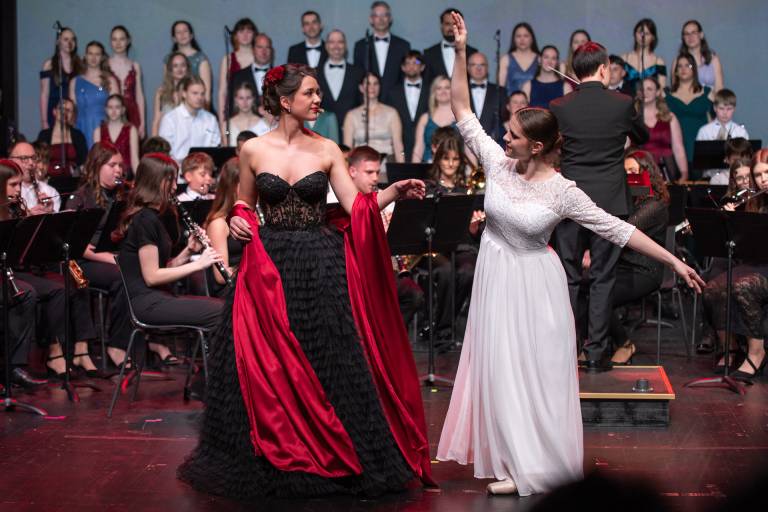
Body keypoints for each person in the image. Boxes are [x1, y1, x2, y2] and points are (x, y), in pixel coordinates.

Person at [437, 13, 703, 496]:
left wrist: (674, 261)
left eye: (513, 135)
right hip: (496, 280)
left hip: (536, 287)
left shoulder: (563, 191)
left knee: (534, 375)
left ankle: (537, 465)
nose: (503, 139)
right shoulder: (498, 165)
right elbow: (460, 108)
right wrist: (459, 49)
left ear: (536, 146)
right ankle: (512, 462)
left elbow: (618, 229)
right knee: (500, 373)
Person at [178, 63, 433, 498]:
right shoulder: (254, 150)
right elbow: (243, 203)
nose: (319, 100)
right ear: (285, 101)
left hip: (320, 264)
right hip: (269, 267)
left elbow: (356, 208)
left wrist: (393, 192)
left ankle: (337, 452)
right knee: (267, 361)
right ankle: (273, 453)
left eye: (318, 93)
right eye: (310, 93)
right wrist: (239, 218)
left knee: (329, 357)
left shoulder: (328, 149)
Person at [550, 41, 649, 371]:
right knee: (603, 278)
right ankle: (595, 353)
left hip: (569, 199)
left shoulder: (560, 106)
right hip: (609, 201)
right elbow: (643, 136)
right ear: (604, 69)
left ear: (575, 71)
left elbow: (551, 145)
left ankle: (565, 351)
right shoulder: (622, 103)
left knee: (568, 277)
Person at [107, 153, 224, 370]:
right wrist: (199, 264)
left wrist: (188, 252)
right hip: (146, 303)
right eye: (170, 180)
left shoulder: (154, 216)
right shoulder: (144, 220)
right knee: (222, 312)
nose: (175, 187)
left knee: (224, 308)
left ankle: (220, 375)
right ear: (155, 182)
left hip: (156, 297)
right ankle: (221, 377)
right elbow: (152, 277)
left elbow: (163, 268)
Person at [64, 142, 131, 374]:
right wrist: (111, 259)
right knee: (122, 277)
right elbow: (76, 244)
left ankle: (122, 341)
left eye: (120, 165)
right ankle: (112, 346)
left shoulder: (120, 196)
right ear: (96, 166)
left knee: (134, 274)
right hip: (82, 261)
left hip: (109, 256)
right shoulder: (81, 197)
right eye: (112, 165)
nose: (118, 170)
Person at [701, 149, 768, 380]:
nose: (763, 179)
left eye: (767, 173)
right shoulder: (754, 200)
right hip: (756, 263)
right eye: (758, 175)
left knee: (743, 285)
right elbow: (743, 245)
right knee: (713, 288)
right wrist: (732, 220)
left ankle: (757, 353)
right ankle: (730, 348)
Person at [347, 146, 424, 326]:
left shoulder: (385, 197)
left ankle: (389, 335)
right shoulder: (337, 198)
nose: (375, 178)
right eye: (369, 172)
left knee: (414, 294)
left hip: (385, 269)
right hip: (354, 271)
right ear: (352, 171)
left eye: (377, 172)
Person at [606, 150, 670, 364]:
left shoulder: (654, 204)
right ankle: (590, 345)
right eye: (625, 173)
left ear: (647, 173)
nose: (629, 177)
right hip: (621, 267)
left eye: (634, 171)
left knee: (601, 295)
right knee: (582, 289)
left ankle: (624, 343)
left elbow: (624, 230)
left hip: (645, 271)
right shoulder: (626, 201)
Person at [0, 160, 48, 388]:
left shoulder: (12, 209)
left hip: (9, 272)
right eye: (13, 185)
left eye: (19, 184)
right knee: (24, 294)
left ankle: (14, 366)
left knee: (27, 294)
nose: (18, 190)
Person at [665, 53, 714, 180]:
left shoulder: (708, 94)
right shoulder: (666, 95)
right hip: (674, 153)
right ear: (675, 71)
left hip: (700, 152)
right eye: (680, 66)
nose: (683, 69)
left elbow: (715, 124)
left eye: (688, 65)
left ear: (694, 69)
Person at [353, 1, 411, 100]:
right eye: (377, 16)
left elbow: (405, 76)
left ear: (390, 19)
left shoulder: (403, 46)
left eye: (385, 15)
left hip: (396, 102)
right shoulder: (361, 46)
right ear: (371, 19)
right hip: (369, 102)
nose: (381, 19)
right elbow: (358, 76)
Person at [343, 73, 404, 163]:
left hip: (385, 164)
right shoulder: (351, 115)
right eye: (368, 84)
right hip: (361, 164)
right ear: (361, 88)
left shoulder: (392, 113)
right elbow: (347, 149)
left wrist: (402, 168)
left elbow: (398, 146)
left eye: (375, 84)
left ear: (380, 87)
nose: (372, 87)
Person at [159, 76, 221, 164]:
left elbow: (215, 146)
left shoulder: (211, 119)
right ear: (184, 94)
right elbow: (166, 150)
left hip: (203, 168)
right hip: (177, 168)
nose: (199, 97)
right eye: (195, 93)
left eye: (202, 94)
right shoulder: (170, 119)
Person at [204, 157, 242, 297]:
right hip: (232, 289)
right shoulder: (219, 224)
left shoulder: (256, 215)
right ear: (232, 186)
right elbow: (221, 276)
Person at [637, 77, 689, 181]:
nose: (645, 92)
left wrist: (684, 173)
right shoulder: (632, 117)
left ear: (657, 92)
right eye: (642, 89)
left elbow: (678, 148)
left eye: (649, 89)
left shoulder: (670, 117)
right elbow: (625, 147)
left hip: (667, 172)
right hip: (640, 171)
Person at [70, 41, 120, 148]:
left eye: (97, 54)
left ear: (102, 57)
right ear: (85, 56)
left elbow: (117, 109)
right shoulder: (75, 82)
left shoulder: (110, 80)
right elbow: (71, 111)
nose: (93, 58)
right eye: (90, 53)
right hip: (80, 127)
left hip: (103, 127)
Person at [317, 30, 365, 140]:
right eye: (332, 42)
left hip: (351, 134)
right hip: (322, 135)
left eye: (340, 42)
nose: (336, 46)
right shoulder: (314, 73)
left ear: (345, 45)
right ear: (326, 46)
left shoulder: (358, 72)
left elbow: (361, 104)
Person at [383, 50, 430, 161]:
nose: (411, 66)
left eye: (416, 62)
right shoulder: (392, 93)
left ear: (422, 67)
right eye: (407, 63)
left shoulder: (432, 91)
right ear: (403, 67)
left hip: (427, 145)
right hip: (400, 146)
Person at [39, 27, 81, 130]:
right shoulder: (49, 64)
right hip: (54, 113)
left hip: (74, 114)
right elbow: (44, 94)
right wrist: (44, 121)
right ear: (58, 42)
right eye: (66, 39)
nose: (69, 42)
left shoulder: (80, 64)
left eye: (72, 39)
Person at [217, 18, 257, 125]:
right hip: (233, 112)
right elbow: (222, 92)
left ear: (254, 35)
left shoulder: (260, 58)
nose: (245, 35)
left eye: (249, 31)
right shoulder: (228, 59)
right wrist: (222, 121)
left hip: (256, 112)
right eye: (241, 31)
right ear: (235, 35)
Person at [421, 8, 477, 84]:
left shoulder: (472, 53)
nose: (451, 28)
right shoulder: (429, 54)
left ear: (461, 25)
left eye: (454, 24)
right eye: (447, 24)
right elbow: (426, 82)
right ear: (441, 26)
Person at [35, 98, 88, 177]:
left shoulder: (78, 135)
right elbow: (39, 158)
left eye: (68, 110)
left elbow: (83, 161)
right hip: (49, 178)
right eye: (61, 109)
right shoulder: (44, 135)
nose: (64, 112)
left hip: (72, 179)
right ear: (54, 111)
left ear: (72, 115)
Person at [108, 26, 145, 138]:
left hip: (132, 113)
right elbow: (100, 90)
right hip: (112, 114)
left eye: (122, 39)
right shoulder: (105, 65)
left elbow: (139, 95)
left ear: (128, 41)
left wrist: (143, 123)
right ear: (110, 42)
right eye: (114, 39)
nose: (118, 43)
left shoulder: (135, 66)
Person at [227, 33, 273, 118]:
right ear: (253, 50)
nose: (264, 51)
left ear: (271, 51)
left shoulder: (282, 77)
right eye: (260, 47)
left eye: (267, 47)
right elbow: (231, 108)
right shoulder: (238, 77)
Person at [93, 94, 140, 176]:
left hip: (125, 175)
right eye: (110, 107)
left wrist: (139, 179)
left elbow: (135, 159)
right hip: (106, 176)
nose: (113, 111)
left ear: (123, 110)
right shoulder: (98, 131)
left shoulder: (131, 130)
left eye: (117, 107)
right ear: (106, 110)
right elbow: (97, 159)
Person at [168, 21, 212, 106]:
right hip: (174, 105)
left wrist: (203, 110)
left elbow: (206, 92)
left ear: (191, 35)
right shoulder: (168, 59)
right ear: (174, 38)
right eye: (178, 32)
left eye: (185, 31)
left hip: (196, 107)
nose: (182, 34)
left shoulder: (201, 58)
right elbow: (168, 84)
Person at [412, 75, 455, 163]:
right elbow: (418, 148)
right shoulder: (424, 119)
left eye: (447, 88)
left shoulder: (461, 117)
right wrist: (413, 170)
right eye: (439, 88)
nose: (443, 91)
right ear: (433, 92)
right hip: (428, 167)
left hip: (455, 166)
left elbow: (468, 148)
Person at [10, 141, 60, 213]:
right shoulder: (5, 190)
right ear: (11, 160)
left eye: (33, 158)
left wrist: (51, 212)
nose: (31, 163)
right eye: (24, 158)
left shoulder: (50, 192)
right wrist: (29, 215)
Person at [151, 52, 191, 137]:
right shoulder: (161, 92)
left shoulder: (193, 92)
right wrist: (154, 143)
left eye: (183, 65)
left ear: (187, 68)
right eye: (175, 66)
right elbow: (156, 121)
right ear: (170, 70)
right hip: (165, 139)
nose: (179, 69)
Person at [621, 18, 667, 93]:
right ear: (635, 34)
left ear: (653, 37)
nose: (643, 36)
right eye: (640, 32)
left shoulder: (659, 62)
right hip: (626, 99)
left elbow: (662, 90)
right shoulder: (624, 59)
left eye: (647, 33)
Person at [468, 52, 506, 137]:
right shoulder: (460, 92)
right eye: (474, 65)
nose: (478, 68)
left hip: (494, 142)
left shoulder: (500, 91)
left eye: (482, 65)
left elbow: (504, 120)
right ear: (468, 68)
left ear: (487, 68)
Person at [679, 20, 723, 92]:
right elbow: (676, 90)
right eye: (687, 34)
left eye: (694, 33)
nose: (690, 37)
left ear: (701, 35)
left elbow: (719, 88)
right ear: (683, 38)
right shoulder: (678, 61)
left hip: (711, 99)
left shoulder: (713, 59)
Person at [498, 22, 539, 95]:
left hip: (536, 101)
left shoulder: (540, 59)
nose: (522, 39)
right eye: (518, 36)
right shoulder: (506, 59)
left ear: (532, 38)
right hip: (511, 100)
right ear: (514, 39)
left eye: (526, 36)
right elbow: (501, 89)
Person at [223, 82, 263, 146]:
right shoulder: (227, 125)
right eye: (241, 98)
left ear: (253, 99)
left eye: (248, 98)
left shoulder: (263, 123)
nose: (245, 102)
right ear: (235, 100)